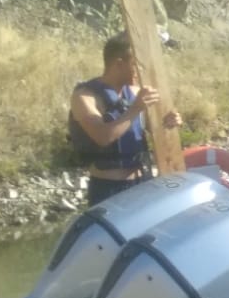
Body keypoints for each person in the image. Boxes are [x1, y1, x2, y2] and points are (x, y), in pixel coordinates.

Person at [70, 32, 179, 206]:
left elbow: (151, 128)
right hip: (109, 188)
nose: (141, 71)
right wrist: (135, 108)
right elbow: (103, 137)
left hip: (142, 181)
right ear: (119, 64)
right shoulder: (85, 96)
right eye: (136, 64)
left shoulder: (135, 92)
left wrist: (169, 122)